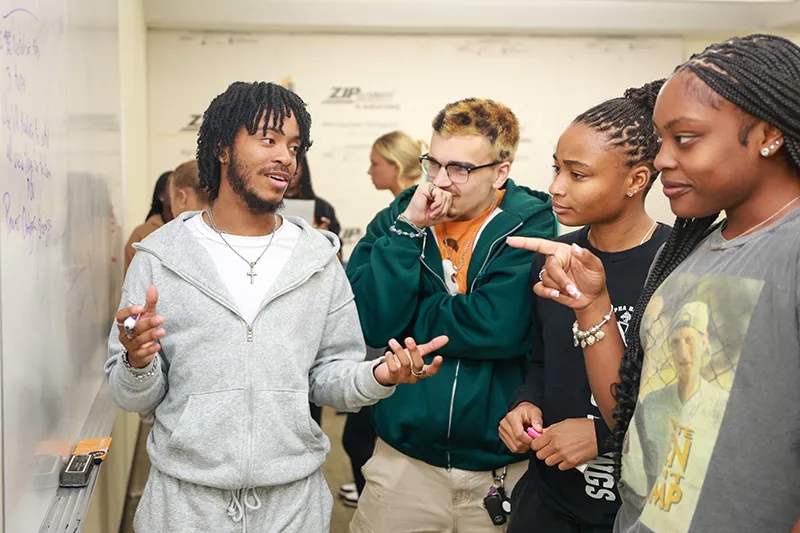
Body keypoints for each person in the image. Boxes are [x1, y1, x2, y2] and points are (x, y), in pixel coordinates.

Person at [105, 81, 449, 533]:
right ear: (223, 148)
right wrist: (136, 360)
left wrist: (377, 375)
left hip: (293, 505)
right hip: (185, 506)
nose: (286, 156)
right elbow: (132, 396)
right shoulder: (160, 257)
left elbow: (328, 378)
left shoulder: (316, 259)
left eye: (294, 145)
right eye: (268, 139)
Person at [509, 34, 800, 533]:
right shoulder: (690, 253)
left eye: (684, 138)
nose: (662, 159)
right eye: (662, 140)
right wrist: (592, 304)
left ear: (769, 135)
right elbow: (633, 416)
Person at [346, 97, 557, 533]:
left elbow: (499, 325)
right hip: (403, 462)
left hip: (499, 468)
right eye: (433, 164)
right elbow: (371, 321)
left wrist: (413, 310)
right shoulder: (399, 216)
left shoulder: (530, 221)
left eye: (459, 169)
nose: (440, 182)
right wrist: (408, 231)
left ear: (501, 171)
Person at [499, 82, 670, 533]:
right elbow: (541, 358)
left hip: (631, 507)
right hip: (549, 499)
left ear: (637, 180)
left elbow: (687, 398)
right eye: (556, 169)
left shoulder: (676, 264)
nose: (555, 187)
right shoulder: (553, 257)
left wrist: (602, 434)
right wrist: (526, 402)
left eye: (577, 174)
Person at [338, 129, 428, 508]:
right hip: (387, 348)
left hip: (409, 351)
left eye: (375, 163)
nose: (368, 171)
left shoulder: (425, 215)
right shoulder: (390, 218)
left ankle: (375, 498)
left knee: (361, 438)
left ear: (393, 166)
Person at [124, 171, 174, 272]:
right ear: (161, 195)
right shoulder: (141, 233)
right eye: (172, 186)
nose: (177, 191)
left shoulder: (192, 229)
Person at [284, 157, 341, 236]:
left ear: (304, 168)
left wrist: (324, 237)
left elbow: (337, 246)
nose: (293, 171)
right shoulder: (265, 206)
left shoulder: (323, 208)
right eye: (287, 165)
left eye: (298, 165)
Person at [368, 130, 427, 196]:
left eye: (374, 164)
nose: (369, 172)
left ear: (395, 167)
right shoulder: (416, 202)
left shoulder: (411, 205)